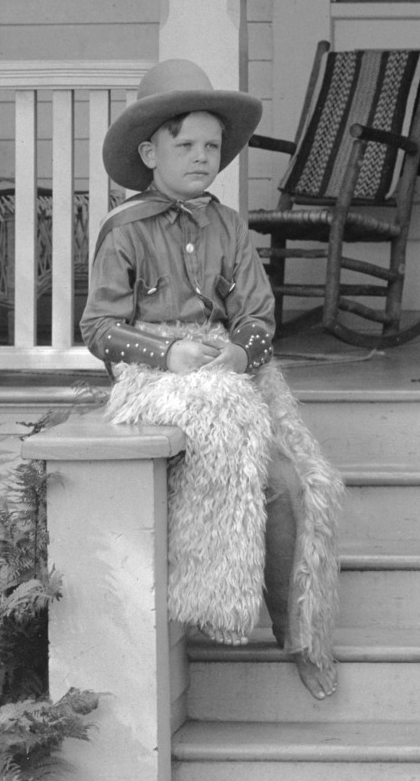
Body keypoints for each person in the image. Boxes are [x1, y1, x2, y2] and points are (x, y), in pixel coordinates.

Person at [82, 60, 341, 700]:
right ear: (149, 152)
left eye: (212, 147)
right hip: (159, 378)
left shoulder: (227, 226)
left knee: (289, 482)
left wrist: (237, 356)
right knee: (218, 472)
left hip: (224, 371)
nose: (202, 159)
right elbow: (97, 327)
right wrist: (162, 355)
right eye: (185, 145)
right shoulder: (125, 231)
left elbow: (257, 313)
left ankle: (298, 629)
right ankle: (208, 604)